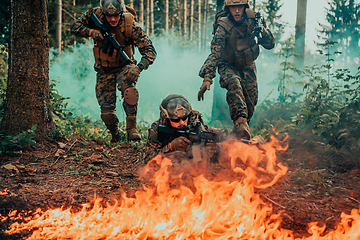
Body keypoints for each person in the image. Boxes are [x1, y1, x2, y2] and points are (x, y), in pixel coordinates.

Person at [71, 0, 156, 142]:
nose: (112, 19)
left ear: (121, 13)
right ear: (103, 13)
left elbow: (150, 50)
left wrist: (139, 67)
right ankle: (115, 134)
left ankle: (132, 129)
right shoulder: (94, 15)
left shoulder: (130, 25)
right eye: (108, 16)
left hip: (125, 65)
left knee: (130, 91)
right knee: (106, 113)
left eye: (116, 15)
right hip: (104, 70)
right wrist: (92, 32)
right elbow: (75, 27)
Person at [198, 0, 275, 140]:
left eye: (240, 7)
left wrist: (262, 31)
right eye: (233, 8)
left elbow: (270, 44)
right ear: (228, 8)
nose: (237, 11)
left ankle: (237, 137)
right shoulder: (223, 25)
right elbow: (215, 53)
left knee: (250, 104)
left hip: (247, 65)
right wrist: (207, 77)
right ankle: (240, 123)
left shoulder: (255, 19)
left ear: (245, 7)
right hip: (227, 64)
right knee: (234, 84)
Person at [145, 94, 224, 161]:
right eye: (176, 120)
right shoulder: (157, 128)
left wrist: (211, 149)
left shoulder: (194, 120)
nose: (181, 123)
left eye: (184, 118)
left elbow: (200, 155)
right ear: (166, 118)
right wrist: (170, 147)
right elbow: (148, 158)